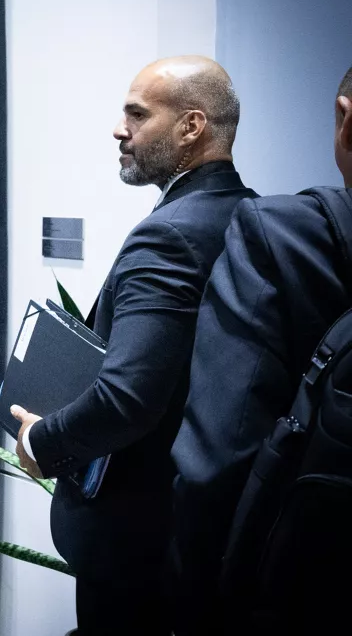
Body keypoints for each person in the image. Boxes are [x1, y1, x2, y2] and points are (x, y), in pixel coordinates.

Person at [9, 56, 257, 634]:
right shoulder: (253, 215)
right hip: (206, 531)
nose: (119, 130)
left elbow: (128, 397)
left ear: (191, 127)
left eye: (137, 115)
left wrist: (41, 440)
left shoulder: (168, 235)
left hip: (137, 542)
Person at [168, 67, 352, 634]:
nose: (119, 130)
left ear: (346, 121)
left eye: (136, 113)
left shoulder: (281, 236)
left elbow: (218, 457)